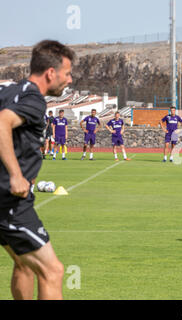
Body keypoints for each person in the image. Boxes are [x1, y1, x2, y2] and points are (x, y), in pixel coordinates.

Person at [0, 39, 74, 299]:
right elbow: (2, 123)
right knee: (52, 271)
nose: (70, 79)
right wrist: (15, 175)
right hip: (10, 202)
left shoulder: (10, 91)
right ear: (51, 73)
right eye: (67, 73)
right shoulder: (33, 98)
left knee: (24, 264)